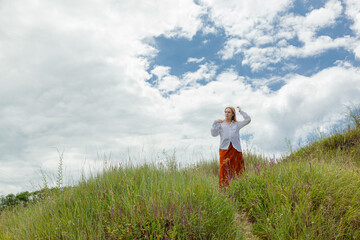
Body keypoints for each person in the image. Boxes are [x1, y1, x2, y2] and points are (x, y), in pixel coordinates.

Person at [211, 106, 251, 188]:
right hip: (224, 150)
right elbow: (213, 134)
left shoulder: (236, 124)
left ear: (233, 114)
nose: (226, 114)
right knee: (224, 169)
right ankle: (224, 189)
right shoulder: (221, 124)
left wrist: (241, 111)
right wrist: (215, 123)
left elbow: (248, 120)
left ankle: (238, 187)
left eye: (229, 112)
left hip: (236, 150)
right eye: (225, 112)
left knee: (237, 169)